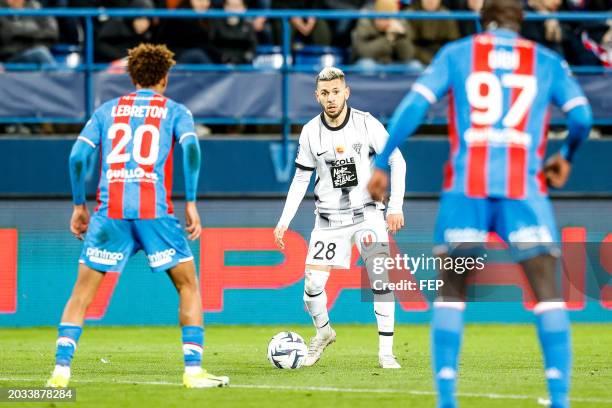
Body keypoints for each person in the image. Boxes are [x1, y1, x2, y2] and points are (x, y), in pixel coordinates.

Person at [368, 0, 592, 406]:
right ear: (521, 23)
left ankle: (447, 400)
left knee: (452, 294)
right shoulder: (546, 60)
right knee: (547, 295)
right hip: (524, 190)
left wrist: (382, 162)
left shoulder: (457, 54)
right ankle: (560, 400)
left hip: (466, 190)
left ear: (481, 20)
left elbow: (414, 107)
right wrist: (567, 156)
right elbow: (581, 118)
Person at [46, 44, 229, 389]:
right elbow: (191, 147)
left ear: (131, 76)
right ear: (164, 77)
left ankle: (60, 371)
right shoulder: (176, 111)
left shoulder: (106, 110)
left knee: (81, 295)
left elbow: (76, 157)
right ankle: (193, 372)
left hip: (109, 213)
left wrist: (77, 205)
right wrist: (190, 201)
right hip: (153, 213)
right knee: (188, 285)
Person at [273, 67, 407, 369]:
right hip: (328, 221)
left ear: (346, 92)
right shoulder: (310, 131)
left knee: (380, 279)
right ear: (317, 96)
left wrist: (396, 206)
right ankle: (323, 333)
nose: (331, 98)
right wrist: (284, 220)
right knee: (312, 285)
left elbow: (397, 159)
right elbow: (299, 179)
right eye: (325, 93)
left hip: (368, 215)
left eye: (336, 91)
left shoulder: (366, 123)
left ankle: (386, 352)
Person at [352, 0, 417, 67]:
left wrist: (400, 36)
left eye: (389, 17)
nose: (386, 21)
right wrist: (387, 39)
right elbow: (362, 52)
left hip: (395, 62)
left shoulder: (402, 22)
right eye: (382, 16)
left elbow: (408, 55)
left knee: (414, 66)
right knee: (367, 65)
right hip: (373, 61)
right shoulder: (366, 20)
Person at [0, 0, 58, 65]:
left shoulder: (35, 6)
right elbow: (8, 33)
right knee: (40, 53)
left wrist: (21, 34)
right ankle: (56, 74)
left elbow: (51, 33)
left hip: (33, 50)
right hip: (9, 58)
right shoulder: (1, 9)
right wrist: (33, 32)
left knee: (40, 51)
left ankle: (56, 74)